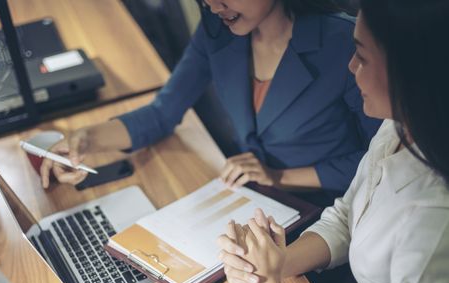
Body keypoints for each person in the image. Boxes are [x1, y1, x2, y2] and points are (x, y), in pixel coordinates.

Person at [217, 0, 449, 283]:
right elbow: (346, 216)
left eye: (362, 56)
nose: (350, 66)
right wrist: (279, 262)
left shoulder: (434, 220)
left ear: (411, 72)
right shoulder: (400, 128)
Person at [40, 0, 381, 206]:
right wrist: (86, 139)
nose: (213, 5)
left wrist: (279, 176)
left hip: (326, 208)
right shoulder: (218, 31)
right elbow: (163, 112)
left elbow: (382, 162)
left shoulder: (346, 44)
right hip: (251, 197)